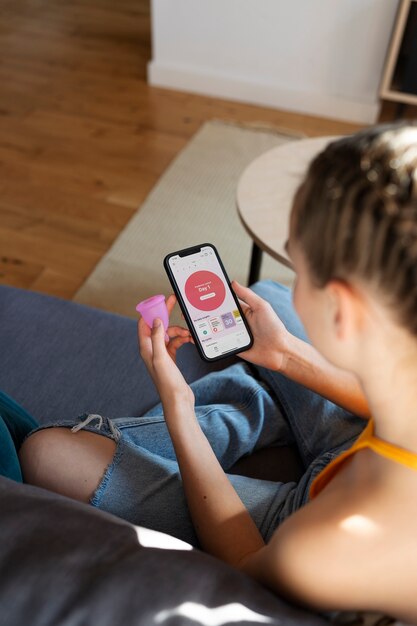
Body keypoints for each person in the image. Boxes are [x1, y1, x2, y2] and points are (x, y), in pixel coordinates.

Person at [19, 122, 417, 623]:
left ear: (343, 308)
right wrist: (286, 354)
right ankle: (268, 396)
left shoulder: (335, 539)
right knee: (267, 299)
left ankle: (252, 413)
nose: (297, 282)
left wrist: (179, 407)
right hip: (367, 442)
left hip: (312, 510)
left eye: (301, 269)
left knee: (49, 452)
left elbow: (245, 563)